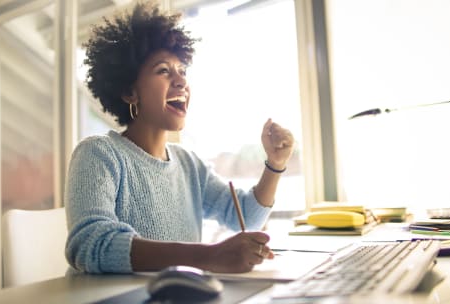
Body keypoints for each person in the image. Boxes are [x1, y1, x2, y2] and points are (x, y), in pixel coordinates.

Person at [65, 1, 294, 274]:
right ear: (129, 92)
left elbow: (245, 217)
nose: (181, 81)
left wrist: (275, 164)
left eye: (182, 71)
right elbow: (91, 245)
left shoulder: (188, 165)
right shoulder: (99, 154)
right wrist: (209, 256)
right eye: (163, 70)